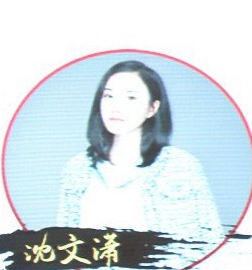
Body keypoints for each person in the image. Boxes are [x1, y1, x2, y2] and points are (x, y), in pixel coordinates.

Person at [55, 59, 222, 246]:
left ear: (152, 108)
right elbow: (63, 244)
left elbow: (211, 239)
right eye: (108, 96)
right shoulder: (77, 168)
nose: (116, 107)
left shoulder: (180, 166)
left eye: (131, 98)